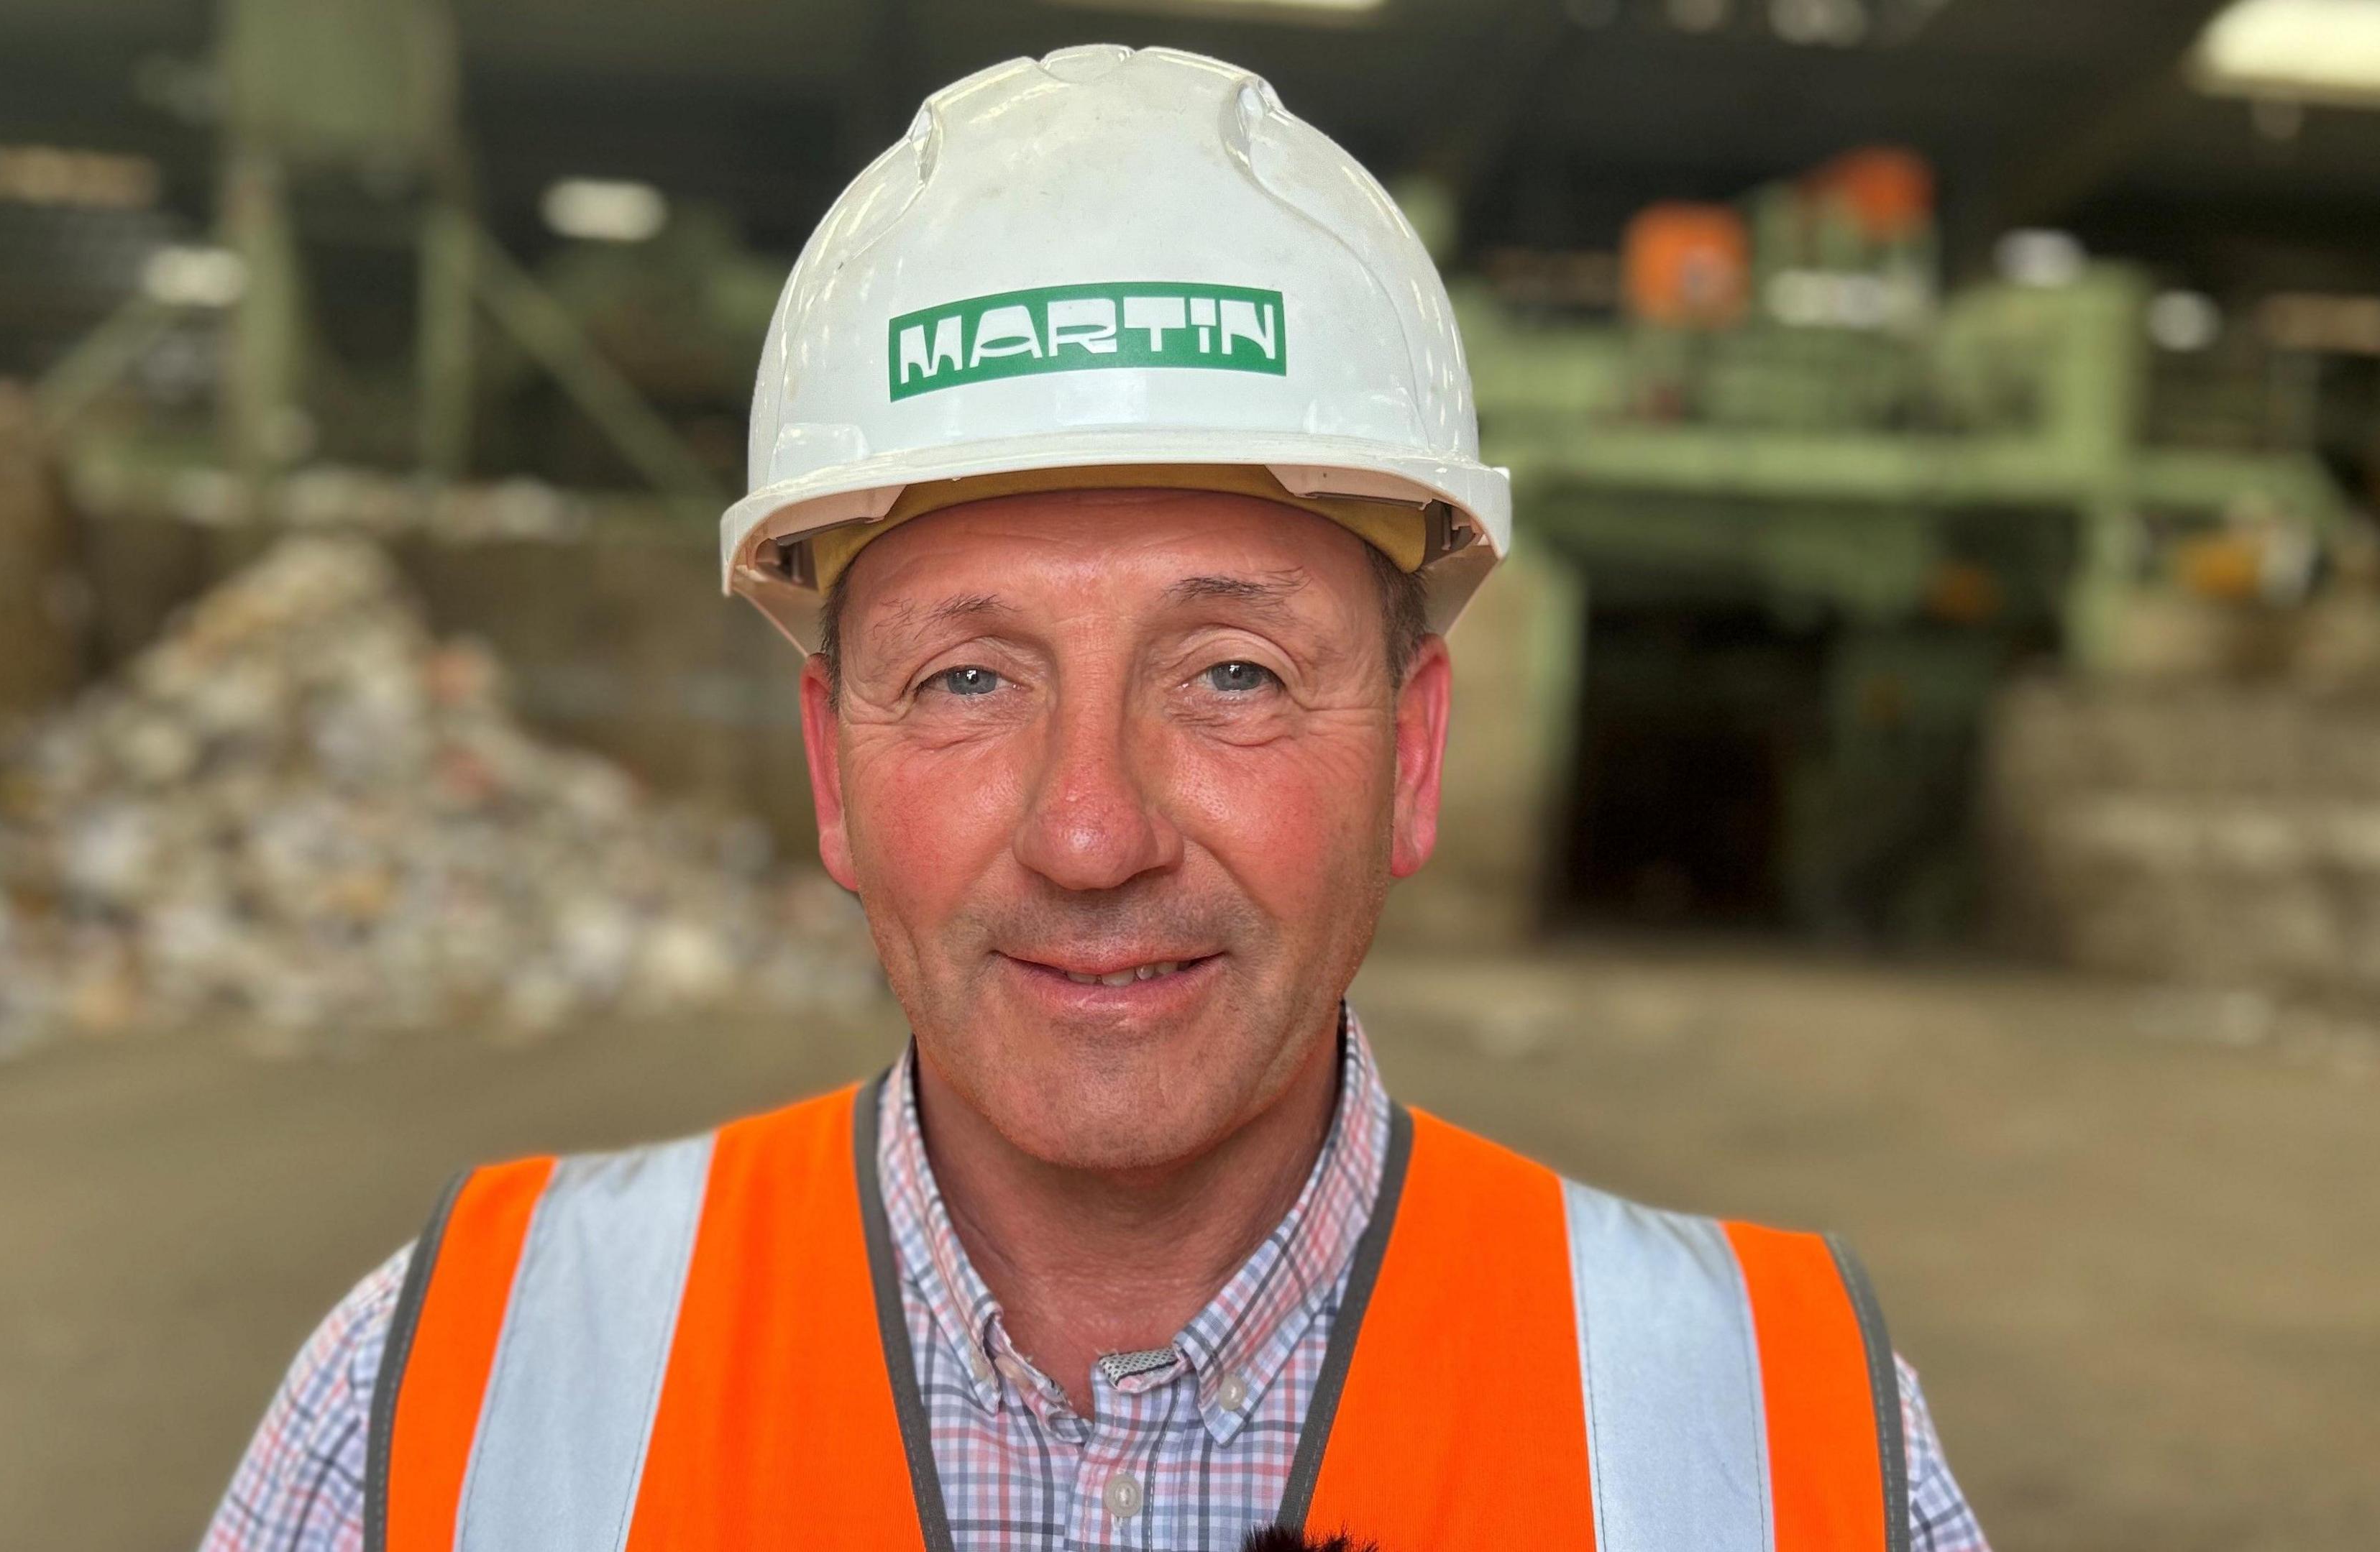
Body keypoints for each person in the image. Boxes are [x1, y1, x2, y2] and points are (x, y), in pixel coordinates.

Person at [204, 45, 1987, 1552]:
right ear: (833, 770)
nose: (1089, 834)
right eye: (968, 680)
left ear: (1415, 754)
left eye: (1232, 675)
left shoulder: (1776, 1444)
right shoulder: (450, 1399)